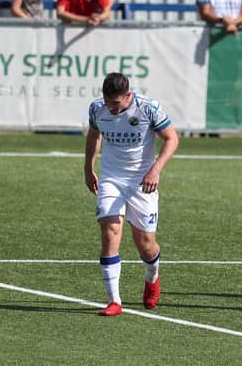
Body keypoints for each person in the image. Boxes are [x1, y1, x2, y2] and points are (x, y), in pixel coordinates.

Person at [85, 72, 179, 316]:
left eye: (116, 103)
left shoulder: (148, 108)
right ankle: (114, 301)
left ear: (128, 95)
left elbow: (171, 139)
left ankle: (152, 276)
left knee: (145, 244)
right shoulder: (97, 109)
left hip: (142, 182)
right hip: (111, 178)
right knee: (110, 232)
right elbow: (94, 136)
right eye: (108, 102)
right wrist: (88, 167)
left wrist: (156, 170)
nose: (111, 108)